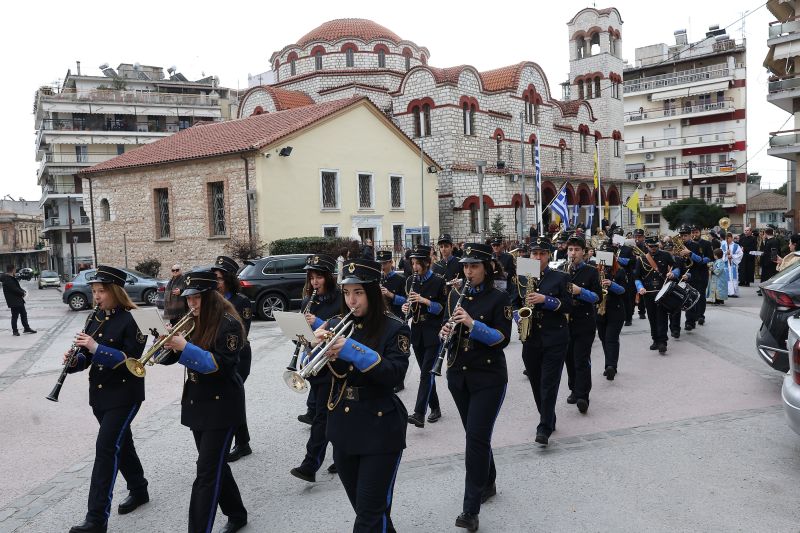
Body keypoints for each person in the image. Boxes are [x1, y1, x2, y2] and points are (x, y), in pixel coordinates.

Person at [316, 258, 410, 532]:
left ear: (372, 291)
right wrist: (314, 348)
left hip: (381, 428)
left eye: (358, 292)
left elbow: (394, 375)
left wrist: (352, 350)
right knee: (368, 509)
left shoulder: (395, 327)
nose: (351, 300)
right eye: (346, 293)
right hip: (344, 426)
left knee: (369, 516)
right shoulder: (336, 323)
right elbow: (320, 375)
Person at [161, 269, 248, 533]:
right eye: (189, 299)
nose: (191, 304)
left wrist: (184, 347)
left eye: (197, 298)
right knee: (215, 465)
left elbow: (219, 366)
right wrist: (165, 343)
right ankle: (237, 513)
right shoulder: (192, 321)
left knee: (206, 474)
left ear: (211, 296)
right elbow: (169, 359)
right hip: (197, 403)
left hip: (222, 406)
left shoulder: (228, 324)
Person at [65, 265, 148, 533]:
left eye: (102, 291)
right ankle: (139, 489)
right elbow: (86, 359)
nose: (97, 296)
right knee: (122, 443)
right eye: (94, 291)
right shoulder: (96, 317)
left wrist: (95, 347)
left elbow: (132, 361)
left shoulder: (135, 319)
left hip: (125, 394)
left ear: (115, 291)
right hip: (100, 394)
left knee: (106, 449)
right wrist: (74, 360)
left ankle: (96, 519)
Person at [439, 243, 512, 532]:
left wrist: (471, 323)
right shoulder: (456, 294)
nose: (468, 271)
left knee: (475, 440)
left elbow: (502, 339)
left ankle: (470, 510)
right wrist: (445, 330)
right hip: (459, 375)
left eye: (474, 266)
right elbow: (447, 327)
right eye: (466, 266)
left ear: (487, 268)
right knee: (475, 434)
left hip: (489, 377)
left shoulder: (500, 297)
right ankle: (489, 481)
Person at [517, 237, 572, 446]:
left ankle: (544, 427)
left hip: (554, 338)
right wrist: (519, 318)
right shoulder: (521, 277)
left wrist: (545, 300)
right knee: (535, 382)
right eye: (534, 254)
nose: (537, 257)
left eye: (542, 254)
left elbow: (568, 306)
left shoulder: (560, 277)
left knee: (548, 384)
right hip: (530, 338)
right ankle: (548, 416)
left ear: (548, 256)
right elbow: (513, 302)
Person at [291, 254, 341, 481]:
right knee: (331, 415)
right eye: (311, 277)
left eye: (319, 277)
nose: (314, 282)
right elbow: (300, 338)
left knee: (323, 416)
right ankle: (343, 457)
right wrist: (297, 332)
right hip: (314, 364)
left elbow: (343, 329)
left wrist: (318, 323)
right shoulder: (306, 301)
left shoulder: (340, 298)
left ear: (328, 278)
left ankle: (310, 465)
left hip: (334, 364)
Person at [211, 256, 254, 462]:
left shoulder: (241, 301)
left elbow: (242, 331)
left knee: (233, 396)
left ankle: (240, 443)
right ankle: (241, 442)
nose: (216, 282)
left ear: (228, 279)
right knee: (231, 398)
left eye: (219, 278)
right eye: (214, 278)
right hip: (220, 354)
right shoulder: (211, 300)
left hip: (239, 355)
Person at [402, 244, 447, 427]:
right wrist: (407, 309)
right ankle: (435, 408)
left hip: (433, 333)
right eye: (412, 263)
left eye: (417, 264)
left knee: (426, 374)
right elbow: (412, 310)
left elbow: (442, 309)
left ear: (427, 263)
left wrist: (424, 300)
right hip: (418, 334)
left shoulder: (438, 281)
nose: (414, 267)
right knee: (426, 374)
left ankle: (419, 413)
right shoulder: (410, 281)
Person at [563, 235, 601, 414]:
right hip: (565, 321)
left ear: (584, 252)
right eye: (570, 249)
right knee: (568, 358)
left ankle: (583, 395)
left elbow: (597, 297)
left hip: (585, 320)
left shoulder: (591, 271)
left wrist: (580, 291)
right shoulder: (563, 270)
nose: (573, 253)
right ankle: (573, 388)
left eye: (577, 250)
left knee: (581, 359)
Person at [635, 237, 678, 354]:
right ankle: (655, 339)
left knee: (662, 316)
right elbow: (637, 277)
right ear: (646, 246)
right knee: (652, 317)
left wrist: (673, 273)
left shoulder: (665, 255)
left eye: (655, 246)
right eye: (651, 246)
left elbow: (677, 267)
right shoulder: (641, 259)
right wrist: (640, 288)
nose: (653, 248)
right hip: (648, 293)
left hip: (662, 291)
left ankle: (663, 341)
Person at [596, 247, 627, 380]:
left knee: (611, 338)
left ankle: (611, 366)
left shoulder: (619, 271)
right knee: (603, 338)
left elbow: (623, 290)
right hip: (600, 310)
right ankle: (608, 364)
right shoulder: (595, 271)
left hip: (616, 309)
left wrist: (611, 284)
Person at [683, 225, 713, 329]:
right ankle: (690, 320)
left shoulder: (706, 244)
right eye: (693, 232)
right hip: (690, 273)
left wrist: (700, 260)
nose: (694, 234)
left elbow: (710, 258)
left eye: (696, 232)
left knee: (701, 296)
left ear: (700, 232)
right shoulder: (684, 244)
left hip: (702, 273)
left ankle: (700, 315)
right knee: (690, 297)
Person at [1, 264, 36, 336]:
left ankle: (26, 328)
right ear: (13, 269)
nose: (15, 271)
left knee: (23, 314)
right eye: (15, 269)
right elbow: (13, 289)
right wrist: (22, 293)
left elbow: (16, 287)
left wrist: (22, 290)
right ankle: (15, 331)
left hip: (18, 300)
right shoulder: (7, 278)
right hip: (14, 301)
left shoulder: (10, 277)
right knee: (15, 316)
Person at [377, 250, 407, 319]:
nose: (382, 266)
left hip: (396, 316)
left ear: (391, 262)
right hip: (382, 315)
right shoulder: (378, 278)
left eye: (384, 263)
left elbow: (405, 300)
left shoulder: (400, 279)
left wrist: (391, 295)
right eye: (380, 264)